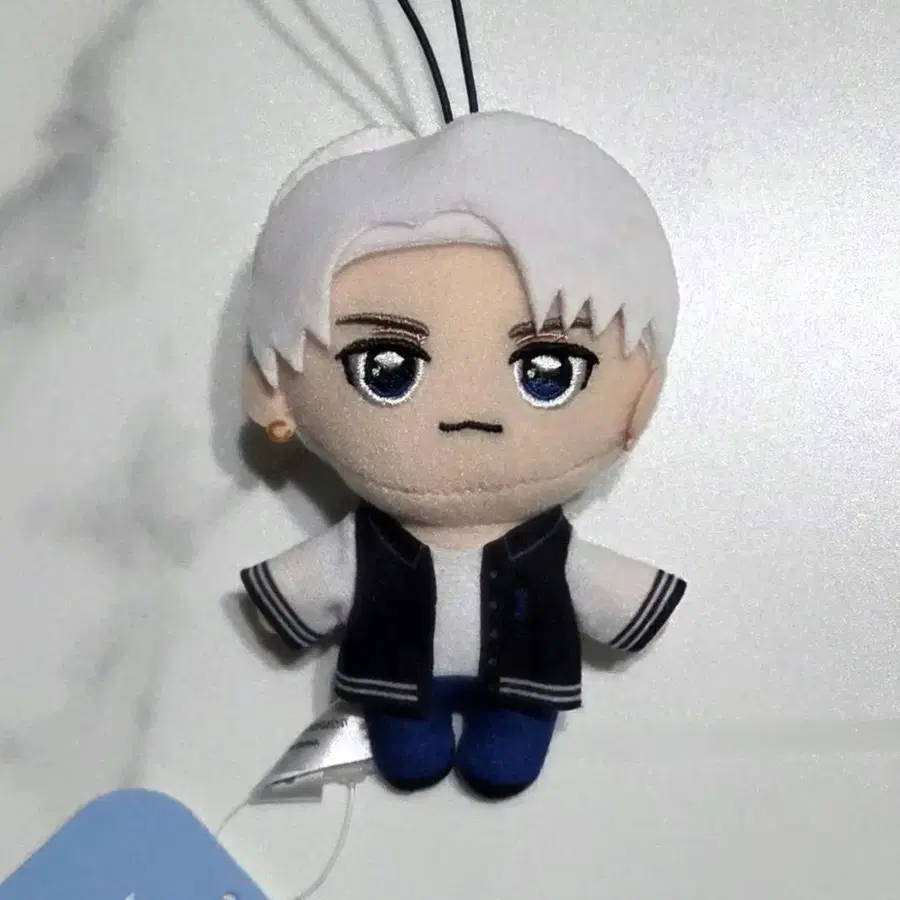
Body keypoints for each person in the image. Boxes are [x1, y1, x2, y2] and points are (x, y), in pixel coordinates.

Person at [239, 110, 687, 799]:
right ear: (276, 395)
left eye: (547, 370)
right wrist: (281, 605)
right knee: (409, 751)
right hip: (395, 684)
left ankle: (504, 727)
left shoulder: (546, 546)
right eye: (387, 368)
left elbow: (602, 587)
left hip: (524, 683)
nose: (469, 410)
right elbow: (314, 580)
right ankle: (418, 729)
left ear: (641, 398)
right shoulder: (371, 544)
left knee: (506, 755)